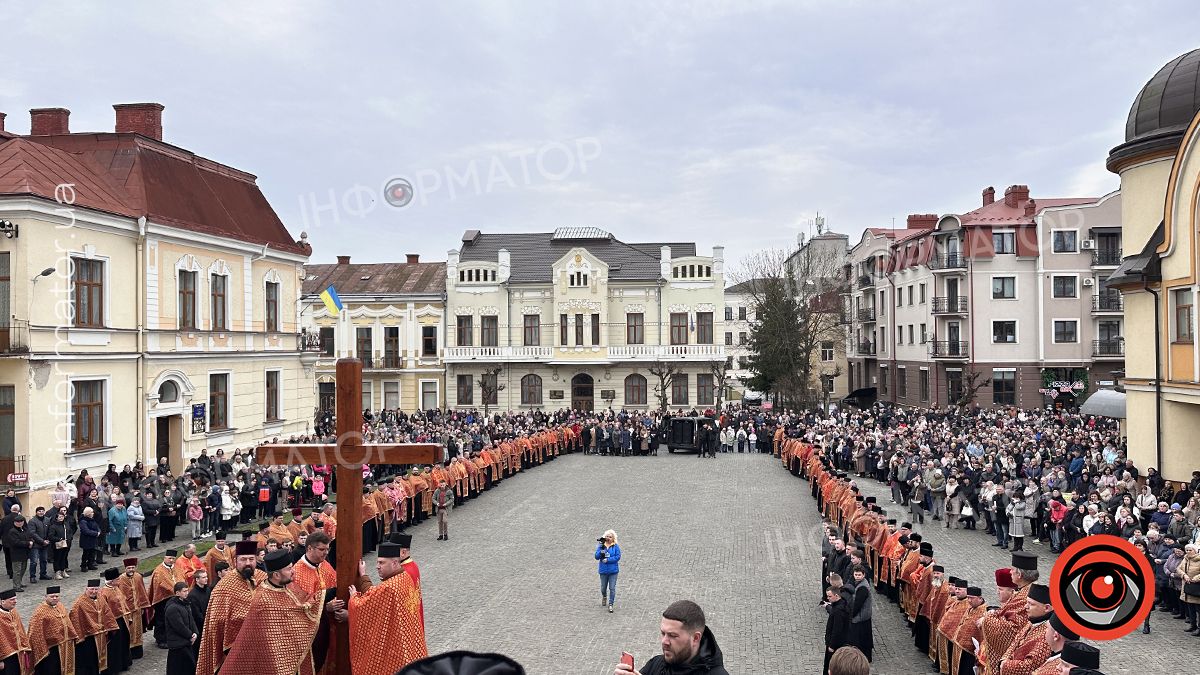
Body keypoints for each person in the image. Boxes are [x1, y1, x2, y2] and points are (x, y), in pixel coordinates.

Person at [218, 549, 320, 674]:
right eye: (289, 569)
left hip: (293, 652)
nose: (293, 571)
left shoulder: (288, 585)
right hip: (272, 658)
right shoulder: (263, 600)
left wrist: (324, 596)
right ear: (276, 575)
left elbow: (302, 606)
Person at [349, 540, 429, 674]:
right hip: (409, 644)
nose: (377, 566)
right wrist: (363, 576)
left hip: (396, 649)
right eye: (377, 562)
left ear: (394, 563)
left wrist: (353, 599)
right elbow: (376, 598)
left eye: (381, 562)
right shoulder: (404, 577)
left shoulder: (390, 587)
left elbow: (365, 606)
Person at [196, 540, 266, 675]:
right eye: (243, 559)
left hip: (263, 647)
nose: (247, 563)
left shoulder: (263, 578)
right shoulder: (223, 588)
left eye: (251, 559)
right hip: (236, 651)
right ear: (235, 561)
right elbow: (216, 625)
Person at [613, 600, 728, 675]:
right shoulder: (656, 664)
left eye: (673, 636)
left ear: (696, 638)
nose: (664, 642)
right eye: (663, 633)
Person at [29, 584, 77, 675]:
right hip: (51, 649)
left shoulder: (60, 606)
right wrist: (42, 649)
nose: (55, 598)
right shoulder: (40, 612)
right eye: (52, 596)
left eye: (57, 596)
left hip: (65, 644)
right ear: (46, 597)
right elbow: (34, 633)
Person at [69, 579, 111, 675]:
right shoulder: (79, 603)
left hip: (100, 635)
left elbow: (107, 612)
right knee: (89, 659)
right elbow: (74, 618)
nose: (94, 591)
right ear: (86, 589)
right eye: (91, 589)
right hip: (87, 638)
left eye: (96, 589)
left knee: (98, 658)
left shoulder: (100, 599)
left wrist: (107, 626)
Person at [113, 557, 150, 660]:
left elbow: (142, 591)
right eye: (129, 568)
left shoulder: (138, 577)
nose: (131, 570)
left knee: (138, 630)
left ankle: (137, 651)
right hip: (126, 611)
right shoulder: (120, 579)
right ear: (125, 568)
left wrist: (143, 606)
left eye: (133, 567)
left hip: (137, 609)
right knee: (129, 631)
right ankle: (128, 652)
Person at [99, 567, 133, 674]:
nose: (119, 581)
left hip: (122, 619)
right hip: (113, 622)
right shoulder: (104, 593)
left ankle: (124, 663)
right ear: (112, 580)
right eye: (117, 579)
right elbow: (103, 610)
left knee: (124, 641)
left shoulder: (116, 588)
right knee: (115, 646)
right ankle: (114, 667)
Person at [160, 581, 197, 675]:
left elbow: (191, 620)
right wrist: (190, 635)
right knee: (178, 669)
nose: (187, 593)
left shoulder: (185, 603)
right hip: (178, 644)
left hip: (185, 642)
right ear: (177, 593)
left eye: (187, 591)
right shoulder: (172, 608)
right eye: (184, 591)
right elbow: (179, 626)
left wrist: (195, 633)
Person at [148, 549, 182, 641]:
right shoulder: (159, 571)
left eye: (173, 558)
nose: (171, 560)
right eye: (169, 558)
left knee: (173, 619)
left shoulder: (177, 567)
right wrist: (176, 589)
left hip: (175, 597)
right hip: (162, 599)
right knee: (161, 619)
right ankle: (160, 639)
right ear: (165, 558)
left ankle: (171, 636)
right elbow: (161, 584)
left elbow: (181, 578)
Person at [822, 584, 852, 674]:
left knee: (830, 666)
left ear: (836, 596)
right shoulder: (842, 603)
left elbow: (837, 629)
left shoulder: (839, 611)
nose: (828, 599)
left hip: (835, 644)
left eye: (830, 596)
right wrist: (828, 606)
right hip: (841, 642)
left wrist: (832, 645)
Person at [846, 565, 873, 662]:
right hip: (863, 616)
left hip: (861, 617)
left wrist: (850, 615)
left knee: (859, 639)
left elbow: (857, 604)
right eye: (855, 574)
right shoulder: (860, 583)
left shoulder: (862, 587)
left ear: (864, 575)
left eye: (859, 575)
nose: (857, 576)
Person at [0, 587, 30, 672]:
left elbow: (21, 630)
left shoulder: (14, 612)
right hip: (6, 657)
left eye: (15, 599)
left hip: (19, 653)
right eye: (12, 599)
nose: (15, 601)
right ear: (3, 601)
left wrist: (25, 647)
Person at [3, 515, 33, 592]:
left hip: (24, 553)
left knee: (23, 569)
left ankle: (19, 583)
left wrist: (31, 542)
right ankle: (16, 586)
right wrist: (28, 543)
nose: (19, 523)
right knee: (17, 571)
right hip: (16, 554)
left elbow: (30, 537)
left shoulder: (25, 529)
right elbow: (16, 542)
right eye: (17, 522)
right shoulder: (12, 531)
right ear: (14, 523)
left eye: (21, 521)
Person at [186, 569, 211, 659]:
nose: (206, 579)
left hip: (210, 623)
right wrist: (207, 623)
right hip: (200, 627)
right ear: (197, 580)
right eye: (203, 577)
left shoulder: (208, 590)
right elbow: (197, 615)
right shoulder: (192, 595)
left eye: (206, 576)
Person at [596, 529, 621, 613]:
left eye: (610, 537)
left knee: (612, 588)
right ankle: (604, 596)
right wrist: (601, 550)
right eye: (607, 536)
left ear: (613, 538)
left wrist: (608, 560)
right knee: (603, 588)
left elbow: (618, 557)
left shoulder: (615, 546)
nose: (608, 538)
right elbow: (596, 556)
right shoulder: (601, 546)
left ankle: (611, 604)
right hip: (603, 571)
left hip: (613, 571)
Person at [28, 505, 51, 584]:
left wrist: (47, 540)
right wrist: (42, 541)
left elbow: (50, 531)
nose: (41, 512)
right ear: (36, 512)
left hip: (45, 544)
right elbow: (32, 533)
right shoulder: (32, 521)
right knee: (34, 561)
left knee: (44, 560)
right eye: (39, 511)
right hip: (36, 545)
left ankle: (43, 574)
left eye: (42, 511)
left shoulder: (47, 520)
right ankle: (32, 576)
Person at [78, 507, 100, 573]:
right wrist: (96, 533)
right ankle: (83, 566)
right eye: (92, 512)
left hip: (92, 539)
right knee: (86, 553)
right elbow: (86, 531)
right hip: (86, 540)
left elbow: (97, 526)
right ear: (88, 514)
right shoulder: (83, 521)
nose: (93, 513)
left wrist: (98, 531)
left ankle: (90, 564)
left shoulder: (92, 519)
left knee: (92, 553)